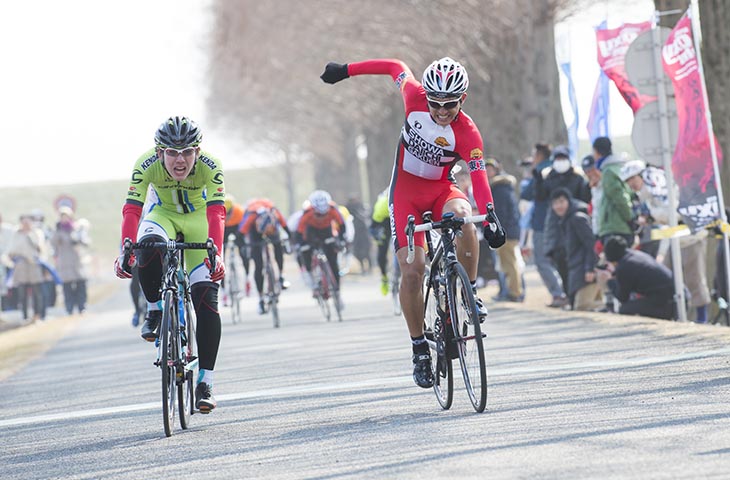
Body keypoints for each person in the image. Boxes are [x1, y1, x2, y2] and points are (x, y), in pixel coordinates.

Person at [321, 57, 504, 389]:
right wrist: (344, 70)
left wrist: (490, 216)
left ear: (462, 99)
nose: (442, 110)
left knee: (466, 221)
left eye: (450, 104)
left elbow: (478, 180)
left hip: (441, 190)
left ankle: (470, 292)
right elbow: (394, 65)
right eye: (436, 103)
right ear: (427, 96)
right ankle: (419, 347)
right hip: (405, 193)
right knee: (412, 269)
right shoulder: (413, 95)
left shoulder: (468, 133)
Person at [114, 116, 226, 413]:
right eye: (172, 153)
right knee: (146, 246)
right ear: (159, 152)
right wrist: (126, 248)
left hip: (198, 221)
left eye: (187, 152)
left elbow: (216, 214)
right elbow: (132, 209)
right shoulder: (145, 163)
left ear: (197, 152)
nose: (180, 160)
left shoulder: (211, 166)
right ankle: (154, 308)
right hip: (161, 215)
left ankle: (206, 381)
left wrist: (217, 253)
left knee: (206, 298)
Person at [620, 160, 711, 323]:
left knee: (694, 279)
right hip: (672, 240)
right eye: (628, 181)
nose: (631, 184)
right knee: (668, 279)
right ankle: (677, 316)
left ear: (641, 175)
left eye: (633, 179)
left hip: (691, 238)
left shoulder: (658, 185)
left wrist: (651, 216)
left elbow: (673, 212)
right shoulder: (646, 195)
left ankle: (702, 319)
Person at [521, 143, 567, 308]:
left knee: (542, 261)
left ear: (539, 155)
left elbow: (526, 194)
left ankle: (559, 294)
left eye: (534, 155)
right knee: (554, 261)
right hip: (554, 221)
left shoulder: (541, 171)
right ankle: (562, 293)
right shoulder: (554, 170)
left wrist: (533, 173)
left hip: (543, 223)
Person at [597, 236, 676, 320]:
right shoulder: (634, 255)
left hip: (668, 302)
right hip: (675, 296)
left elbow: (622, 297)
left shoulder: (624, 266)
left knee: (625, 309)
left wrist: (609, 280)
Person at [550, 189, 603, 311]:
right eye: (555, 203)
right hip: (576, 271)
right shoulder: (564, 221)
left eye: (561, 202)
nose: (559, 206)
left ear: (569, 201)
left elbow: (590, 244)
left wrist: (590, 268)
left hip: (585, 271)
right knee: (577, 305)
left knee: (582, 306)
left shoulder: (577, 218)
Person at [239, 198, 291, 314]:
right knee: (258, 265)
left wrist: (289, 242)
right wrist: (245, 247)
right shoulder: (251, 217)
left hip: (273, 228)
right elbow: (241, 233)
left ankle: (281, 276)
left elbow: (285, 226)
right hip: (254, 235)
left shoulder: (274, 213)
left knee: (278, 246)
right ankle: (261, 298)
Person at [484, 157, 523, 301]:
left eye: (490, 169)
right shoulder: (500, 187)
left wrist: (499, 231)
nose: (488, 172)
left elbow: (502, 213)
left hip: (506, 232)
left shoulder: (499, 189)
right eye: (486, 169)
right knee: (506, 264)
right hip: (507, 231)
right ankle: (510, 291)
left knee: (510, 264)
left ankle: (515, 293)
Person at [297, 190, 347, 293]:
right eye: (319, 214)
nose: (322, 216)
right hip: (312, 232)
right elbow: (300, 231)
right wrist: (301, 244)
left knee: (333, 261)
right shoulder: (308, 212)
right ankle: (311, 277)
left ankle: (337, 289)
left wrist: (341, 240)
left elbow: (342, 225)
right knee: (306, 252)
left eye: (325, 213)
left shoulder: (332, 209)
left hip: (327, 231)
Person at [7, 214, 49, 322]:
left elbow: (40, 248)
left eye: (28, 222)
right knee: (22, 293)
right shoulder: (16, 234)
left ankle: (38, 315)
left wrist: (30, 237)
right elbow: (12, 250)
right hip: (21, 266)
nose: (26, 225)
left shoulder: (36, 233)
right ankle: (25, 316)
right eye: (24, 222)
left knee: (37, 292)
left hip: (34, 265)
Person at [594, 137, 634, 247]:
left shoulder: (608, 172)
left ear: (597, 152)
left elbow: (619, 198)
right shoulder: (619, 168)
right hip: (622, 226)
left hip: (614, 226)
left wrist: (630, 219)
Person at [50, 206, 90, 315]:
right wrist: (57, 231)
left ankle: (82, 306)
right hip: (65, 261)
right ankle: (69, 308)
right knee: (67, 287)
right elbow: (53, 243)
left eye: (66, 216)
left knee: (81, 284)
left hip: (77, 261)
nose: (64, 218)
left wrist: (78, 240)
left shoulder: (77, 228)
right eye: (62, 216)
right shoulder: (57, 230)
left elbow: (86, 241)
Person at [224, 195, 251, 298]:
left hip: (237, 228)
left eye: (229, 212)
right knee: (220, 257)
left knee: (243, 252)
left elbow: (244, 227)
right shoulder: (219, 211)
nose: (227, 215)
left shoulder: (239, 211)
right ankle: (223, 289)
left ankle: (247, 278)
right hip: (224, 228)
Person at [370, 189, 393, 296]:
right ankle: (384, 276)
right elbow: (373, 226)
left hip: (400, 217)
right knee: (382, 252)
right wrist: (377, 237)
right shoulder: (382, 205)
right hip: (383, 223)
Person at [346, 197, 372, 275]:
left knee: (366, 253)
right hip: (355, 236)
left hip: (363, 235)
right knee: (357, 253)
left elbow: (366, 220)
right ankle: (363, 267)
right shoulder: (349, 210)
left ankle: (369, 268)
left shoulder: (362, 209)